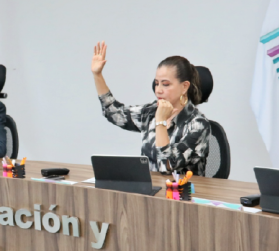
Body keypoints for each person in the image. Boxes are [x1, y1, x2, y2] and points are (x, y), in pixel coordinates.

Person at [91, 42, 216, 176]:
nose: (158, 90)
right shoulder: (150, 112)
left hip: (181, 188)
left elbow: (167, 165)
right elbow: (115, 113)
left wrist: (160, 122)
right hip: (150, 187)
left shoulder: (198, 125)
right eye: (156, 84)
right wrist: (97, 75)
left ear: (184, 86)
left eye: (165, 84)